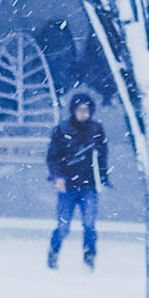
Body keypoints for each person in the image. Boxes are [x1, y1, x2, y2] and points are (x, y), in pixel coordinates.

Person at [46, 92, 109, 270]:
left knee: (89, 223)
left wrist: (102, 178)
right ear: (73, 110)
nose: (84, 113)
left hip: (89, 184)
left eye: (87, 109)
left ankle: (89, 255)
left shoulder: (96, 130)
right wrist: (57, 177)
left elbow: (102, 156)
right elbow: (53, 157)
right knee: (63, 224)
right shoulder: (62, 129)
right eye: (80, 109)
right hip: (67, 185)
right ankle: (54, 251)